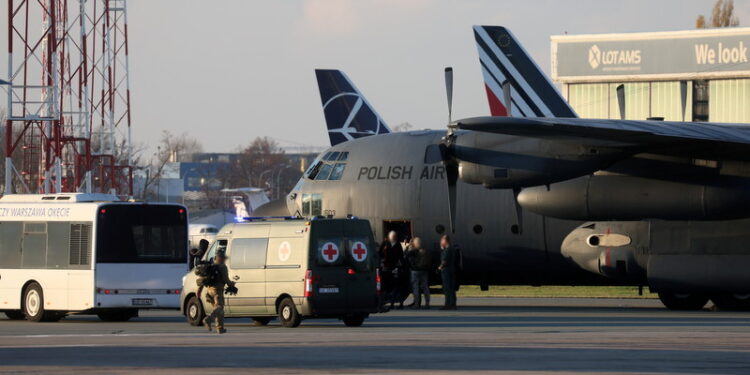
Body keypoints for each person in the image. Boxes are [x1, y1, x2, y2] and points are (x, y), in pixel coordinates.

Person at [202, 250, 235, 334]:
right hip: (217, 291)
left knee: (218, 309)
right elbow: (226, 279)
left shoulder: (211, 265)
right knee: (219, 308)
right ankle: (208, 319)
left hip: (209, 291)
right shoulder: (222, 267)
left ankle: (220, 328)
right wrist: (232, 284)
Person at [378, 231, 404, 310]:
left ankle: (393, 303)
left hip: (394, 267)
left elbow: (401, 256)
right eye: (392, 236)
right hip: (385, 267)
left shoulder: (398, 245)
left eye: (394, 236)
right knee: (384, 286)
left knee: (395, 286)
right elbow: (380, 253)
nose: (393, 238)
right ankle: (382, 303)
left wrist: (401, 266)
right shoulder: (385, 243)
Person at [407, 237, 431, 309]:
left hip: (415, 271)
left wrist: (410, 245)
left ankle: (417, 304)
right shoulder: (425, 251)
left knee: (416, 288)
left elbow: (407, 255)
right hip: (424, 271)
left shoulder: (413, 251)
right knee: (425, 288)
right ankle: (427, 303)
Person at [438, 234, 458, 310]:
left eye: (442, 240)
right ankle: (453, 304)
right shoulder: (452, 248)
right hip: (452, 270)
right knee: (452, 288)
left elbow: (445, 260)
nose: (441, 241)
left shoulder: (447, 249)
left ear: (445, 241)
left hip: (446, 271)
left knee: (447, 288)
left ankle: (448, 304)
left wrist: (440, 267)